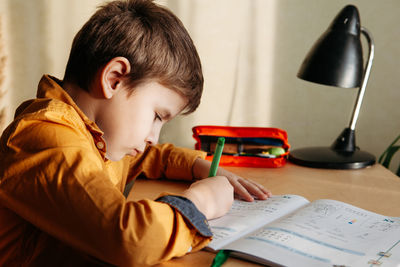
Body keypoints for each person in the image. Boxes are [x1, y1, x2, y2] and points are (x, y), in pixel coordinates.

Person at [0, 0, 271, 266]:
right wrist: (199, 203)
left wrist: (196, 165)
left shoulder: (97, 136)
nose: (153, 136)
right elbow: (128, 239)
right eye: (156, 116)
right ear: (114, 79)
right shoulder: (46, 140)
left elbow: (152, 156)